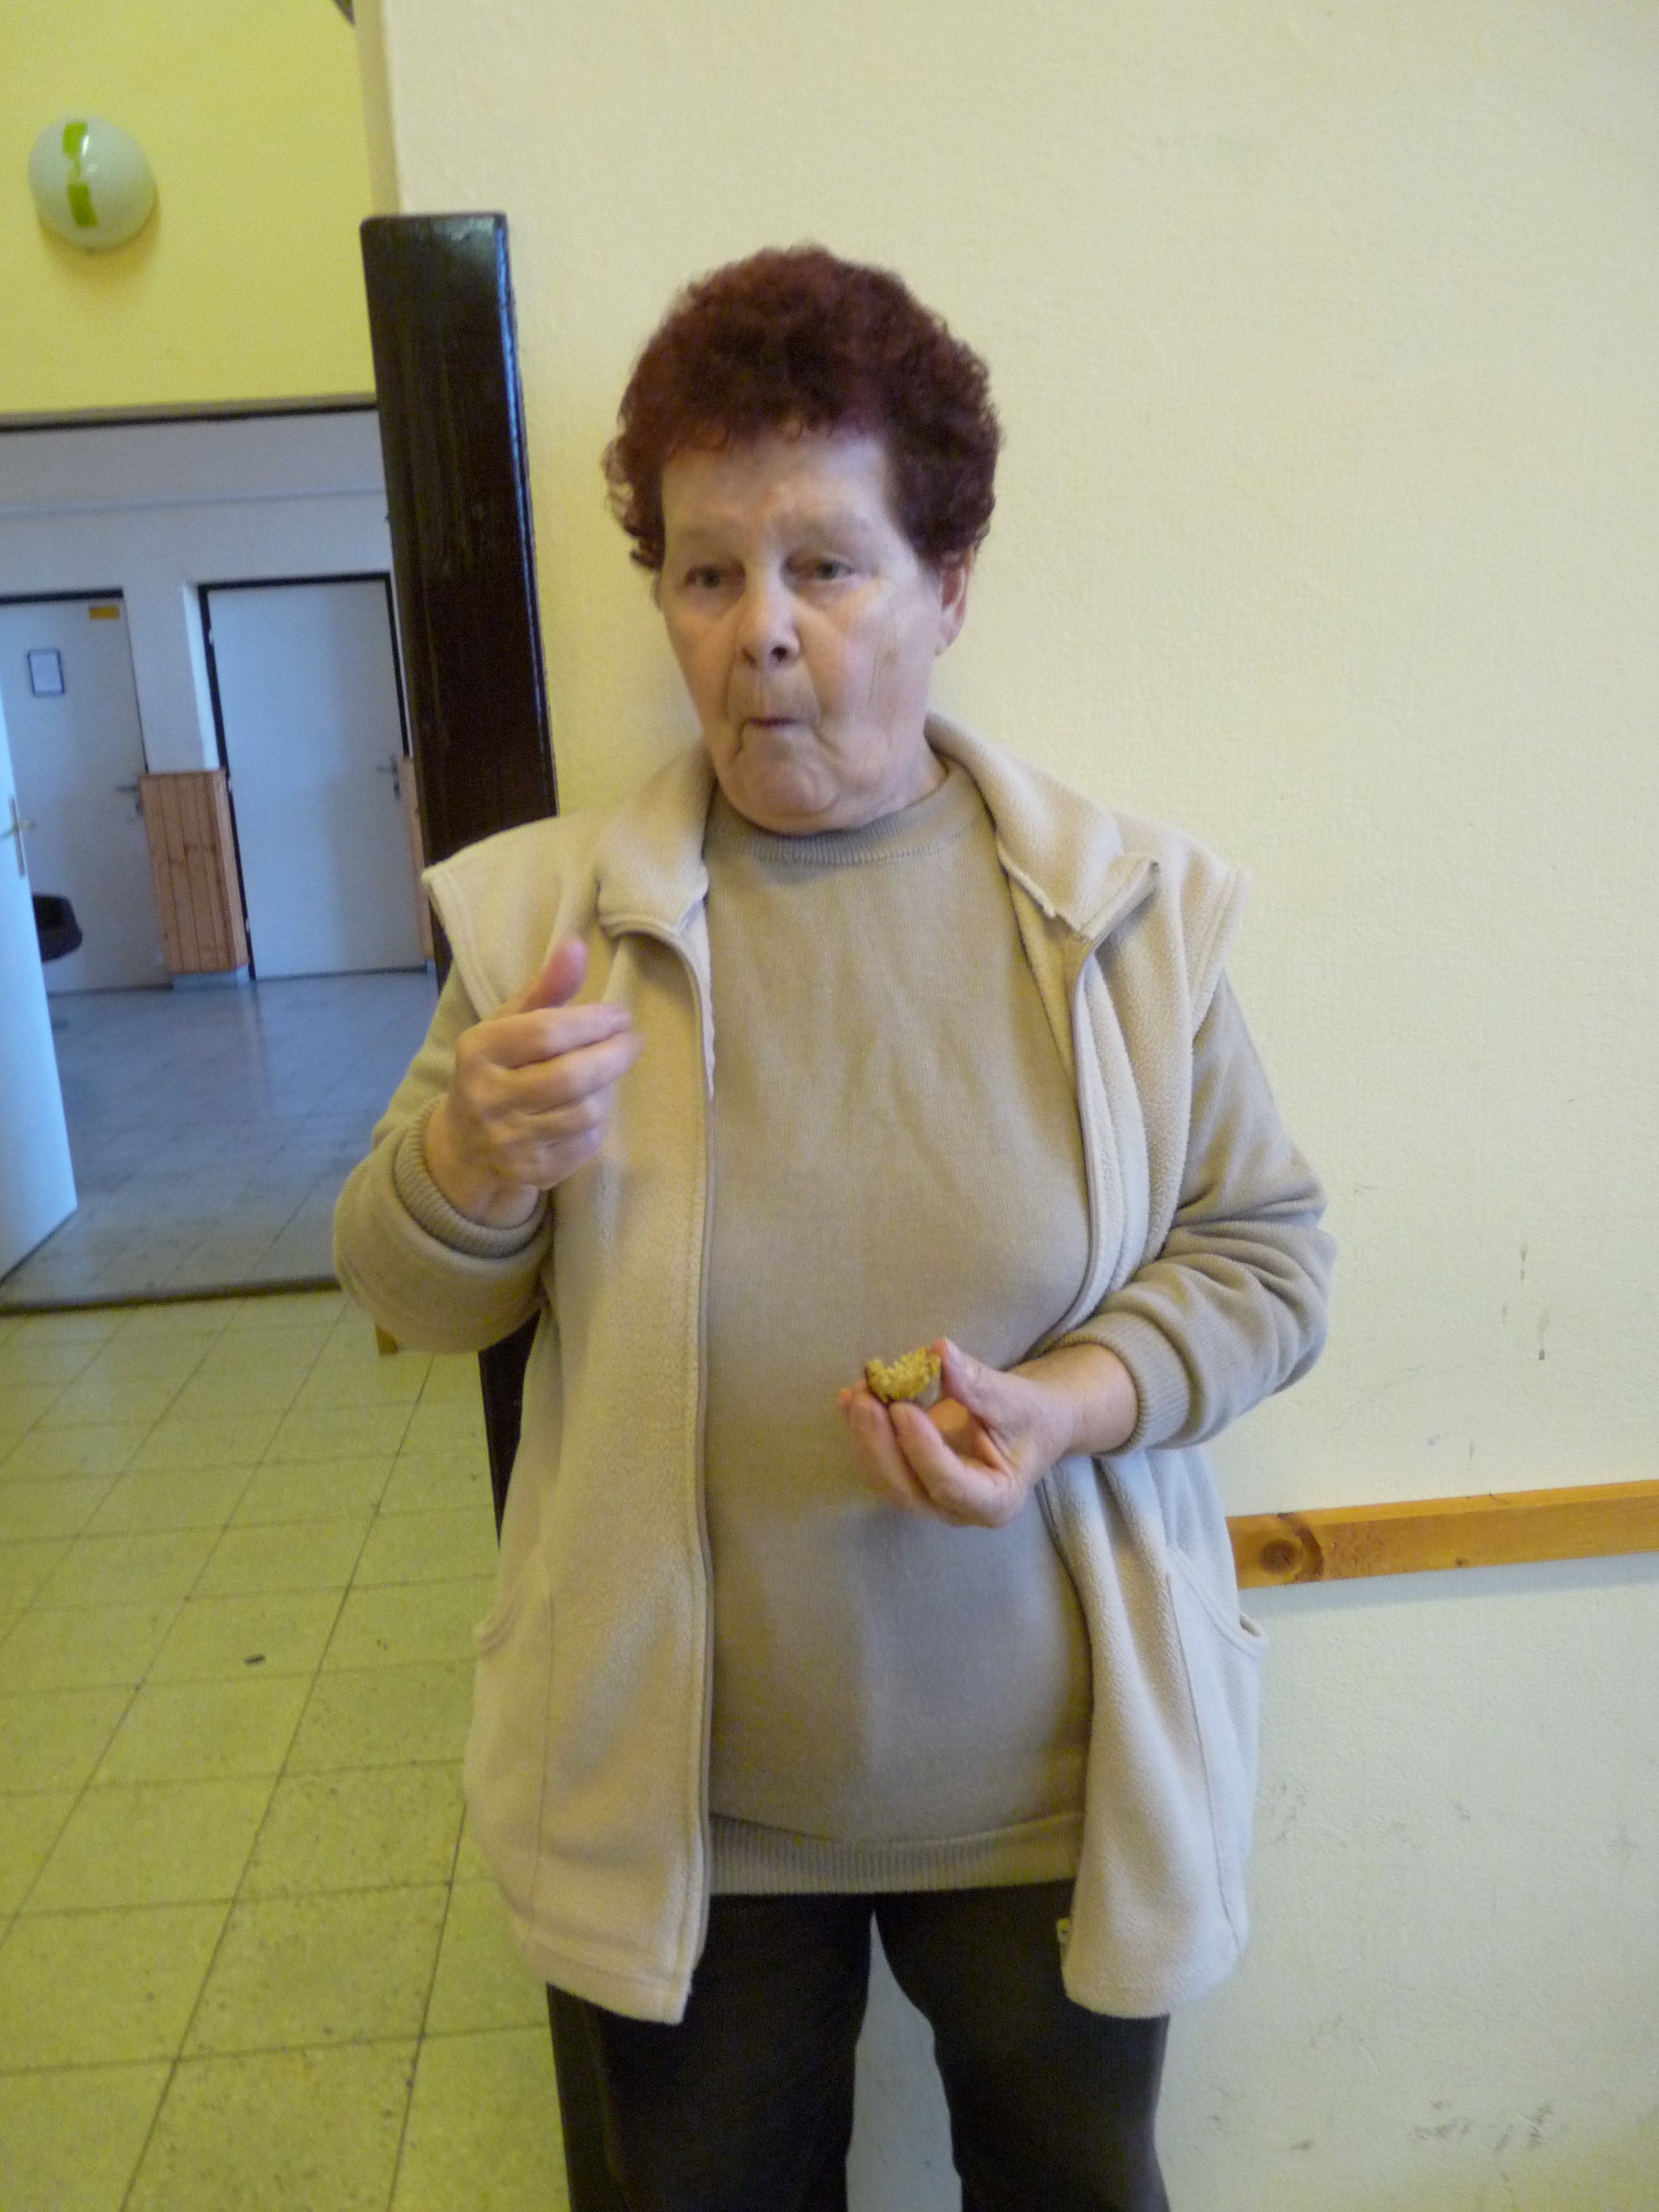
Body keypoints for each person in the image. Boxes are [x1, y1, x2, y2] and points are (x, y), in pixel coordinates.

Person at [334, 244, 1334, 2212]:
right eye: (708, 576)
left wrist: (1069, 1401)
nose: (762, 634)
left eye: (826, 566)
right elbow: (401, 1290)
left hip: (1054, 1799)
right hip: (687, 1817)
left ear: (948, 586)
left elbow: (1269, 1256)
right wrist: (470, 1161)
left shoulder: (1125, 915)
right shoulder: (542, 927)